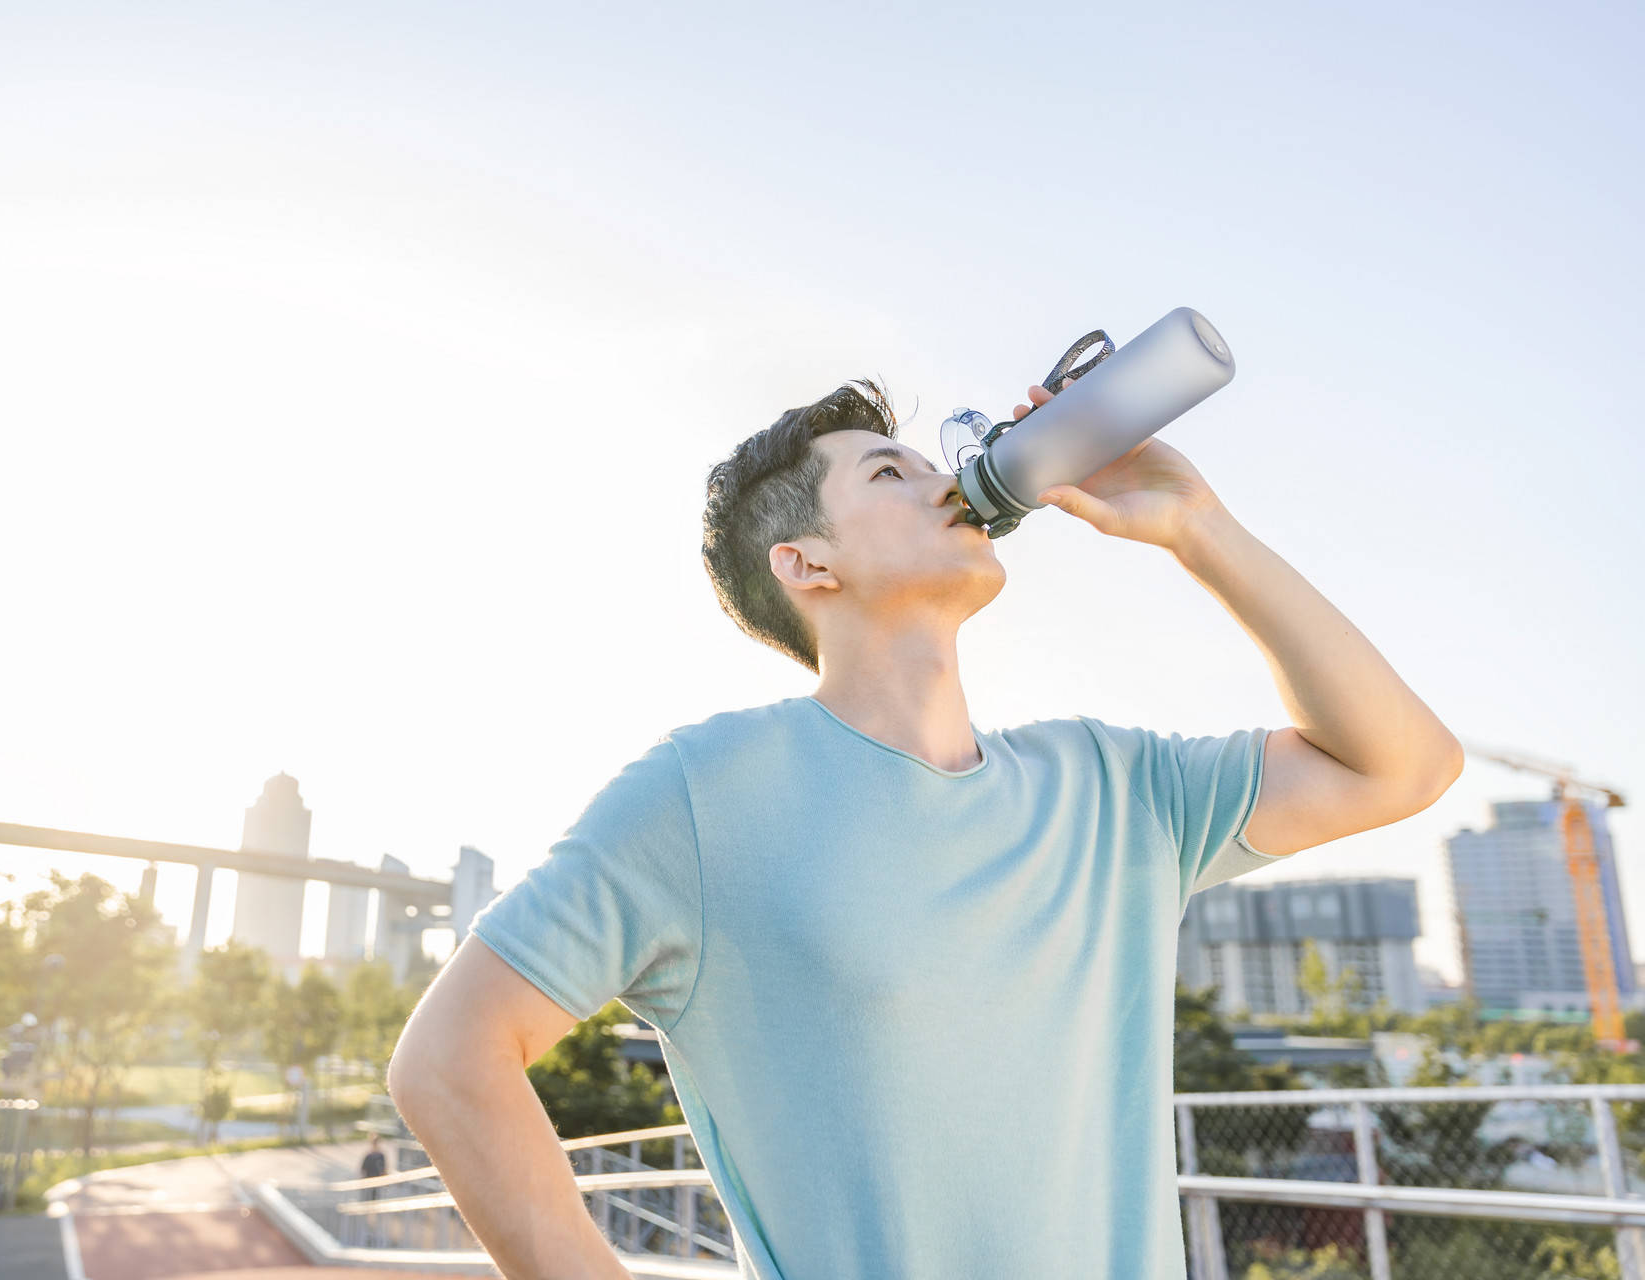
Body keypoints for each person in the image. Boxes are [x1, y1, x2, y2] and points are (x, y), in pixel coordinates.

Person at [387, 376, 1464, 1278]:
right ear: (808, 564)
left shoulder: (1112, 782)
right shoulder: (706, 793)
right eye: (890, 472)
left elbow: (1405, 763)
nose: (949, 481)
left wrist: (1198, 528)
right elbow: (448, 1057)